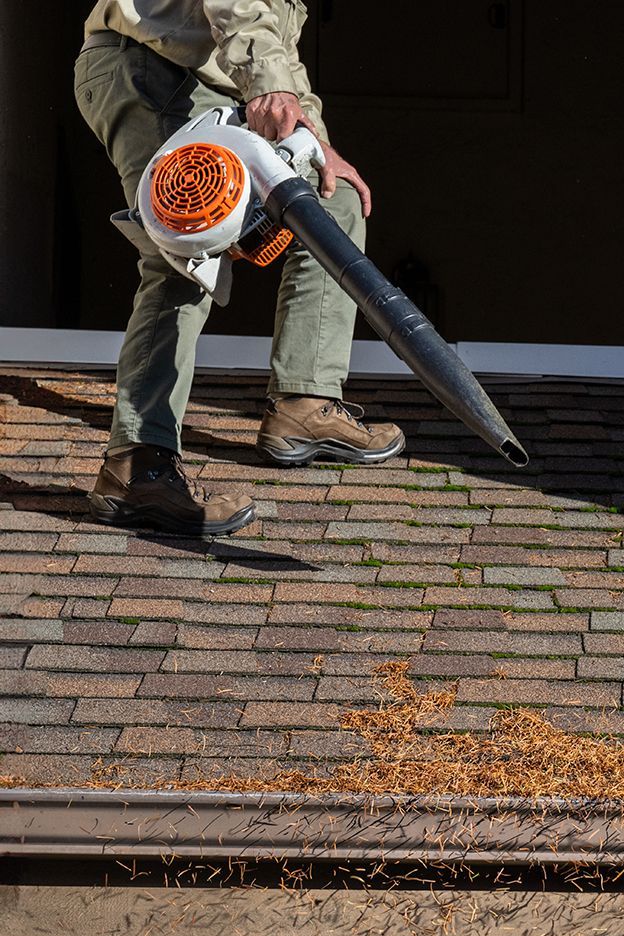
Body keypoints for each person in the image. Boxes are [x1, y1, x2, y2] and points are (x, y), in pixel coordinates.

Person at [75, 0, 404, 538]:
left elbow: (275, 42)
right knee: (181, 247)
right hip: (152, 66)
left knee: (332, 202)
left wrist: (314, 140)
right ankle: (138, 465)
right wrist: (267, 84)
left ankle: (305, 402)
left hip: (220, 79)